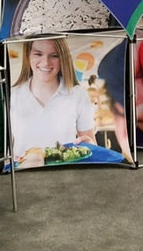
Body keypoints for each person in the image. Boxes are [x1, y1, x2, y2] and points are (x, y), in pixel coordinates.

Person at [10, 38, 96, 169]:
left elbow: (91, 145)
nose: (46, 62)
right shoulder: (12, 95)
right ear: (28, 56)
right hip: (21, 177)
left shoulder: (78, 95)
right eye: (38, 54)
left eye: (54, 56)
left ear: (63, 58)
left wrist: (90, 146)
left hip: (66, 177)